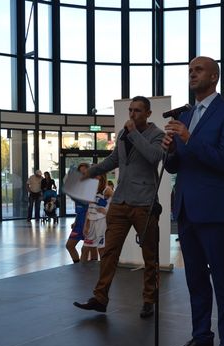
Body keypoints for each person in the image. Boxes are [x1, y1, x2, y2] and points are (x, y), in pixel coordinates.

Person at [161, 56, 224, 346]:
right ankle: (201, 339)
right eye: (189, 71)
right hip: (186, 207)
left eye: (198, 70)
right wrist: (170, 150)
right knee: (195, 278)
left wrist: (188, 139)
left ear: (214, 77)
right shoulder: (185, 115)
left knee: (222, 278)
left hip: (215, 209)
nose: (192, 74)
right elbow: (174, 167)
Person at [73, 96, 165, 319]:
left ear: (148, 113)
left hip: (144, 203)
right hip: (120, 202)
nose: (132, 114)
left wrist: (133, 133)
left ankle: (149, 299)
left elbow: (154, 157)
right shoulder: (124, 133)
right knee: (109, 252)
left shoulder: (157, 134)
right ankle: (100, 298)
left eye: (137, 111)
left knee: (150, 255)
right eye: (131, 110)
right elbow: (114, 160)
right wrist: (90, 172)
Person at [82, 176, 112, 261]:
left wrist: (106, 212)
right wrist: (85, 225)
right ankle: (85, 269)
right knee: (85, 249)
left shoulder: (107, 190)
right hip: (91, 221)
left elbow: (117, 202)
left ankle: (105, 268)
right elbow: (89, 209)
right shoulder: (91, 189)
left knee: (101, 249)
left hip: (101, 221)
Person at [66, 163, 90, 263]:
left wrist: (86, 226)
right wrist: (75, 221)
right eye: (80, 171)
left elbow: (90, 210)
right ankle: (78, 265)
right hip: (79, 223)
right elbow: (79, 209)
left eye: (84, 171)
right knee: (69, 246)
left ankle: (87, 268)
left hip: (88, 223)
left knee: (87, 249)